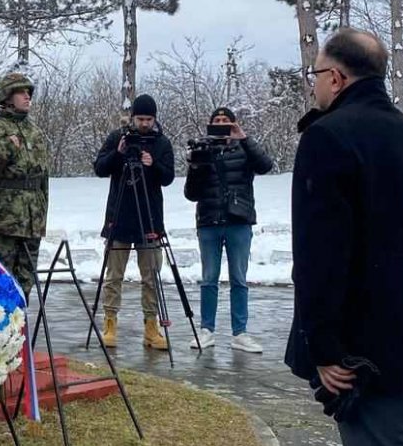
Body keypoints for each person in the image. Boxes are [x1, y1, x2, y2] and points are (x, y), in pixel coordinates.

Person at [287, 28, 403, 445]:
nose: (313, 85)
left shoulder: (328, 136)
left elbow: (319, 254)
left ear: (336, 78)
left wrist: (323, 345)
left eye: (315, 74)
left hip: (362, 342)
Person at [183, 107, 273, 353]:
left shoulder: (244, 149)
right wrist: (195, 166)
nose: (222, 124)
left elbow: (265, 165)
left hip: (238, 220)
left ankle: (240, 332)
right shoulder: (203, 150)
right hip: (209, 221)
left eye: (226, 121)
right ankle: (206, 330)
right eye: (217, 121)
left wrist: (244, 138)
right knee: (209, 278)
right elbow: (191, 193)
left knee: (239, 279)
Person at [94, 94, 174, 350]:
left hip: (149, 218)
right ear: (132, 117)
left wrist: (153, 165)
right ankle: (109, 323)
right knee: (114, 275)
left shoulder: (161, 143)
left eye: (149, 119)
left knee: (151, 276)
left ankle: (151, 327)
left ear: (155, 119)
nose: (144, 123)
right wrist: (118, 154)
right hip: (120, 216)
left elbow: (169, 177)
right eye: (140, 119)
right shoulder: (117, 138)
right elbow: (99, 168)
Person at [0, 73, 50, 294]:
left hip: (31, 220)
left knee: (25, 283)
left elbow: (43, 179)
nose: (27, 96)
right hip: (1, 220)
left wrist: (42, 216)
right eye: (21, 92)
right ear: (7, 96)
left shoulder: (35, 132)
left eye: (28, 92)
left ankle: (22, 317)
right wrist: (6, 147)